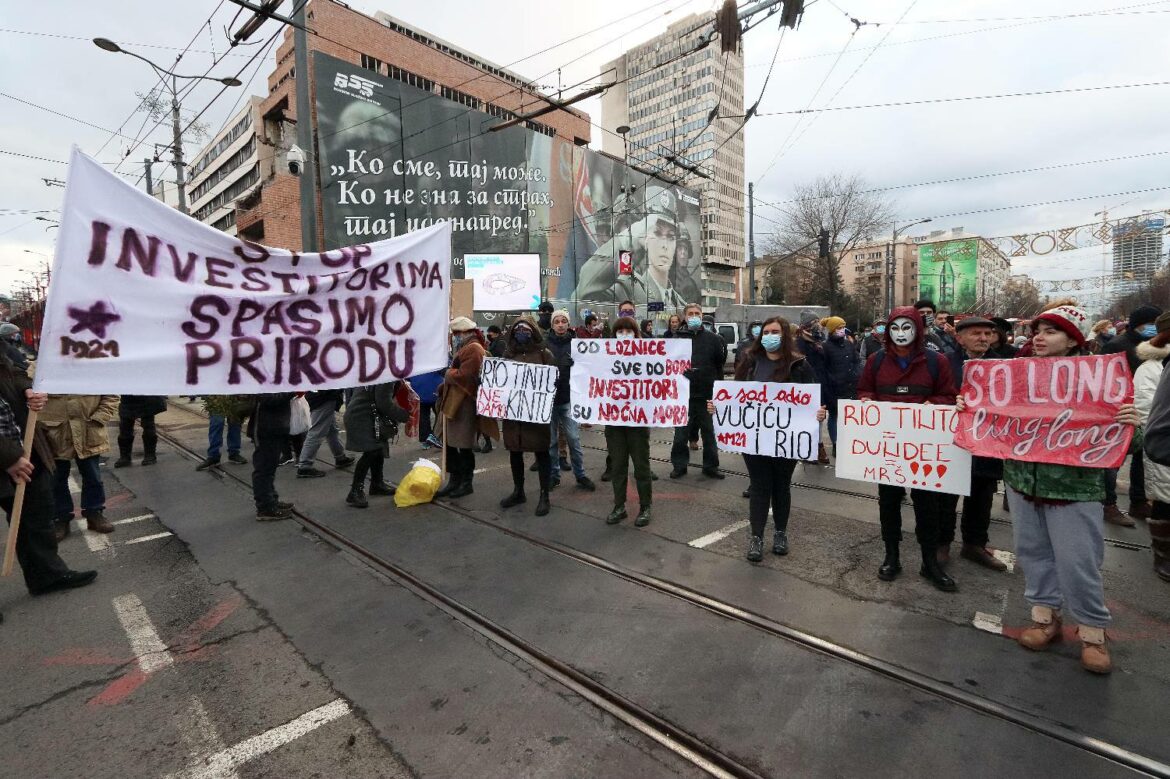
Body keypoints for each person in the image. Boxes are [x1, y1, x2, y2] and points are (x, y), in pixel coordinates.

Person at [959, 303, 1138, 674]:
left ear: (1073, 341)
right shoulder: (1015, 375)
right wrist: (970, 406)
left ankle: (1092, 634)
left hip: (1075, 489)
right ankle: (1045, 619)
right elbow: (993, 419)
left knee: (1078, 563)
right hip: (1023, 482)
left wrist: (1130, 424)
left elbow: (1126, 443)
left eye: (1051, 331)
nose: (1039, 337)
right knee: (1034, 555)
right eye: (1037, 330)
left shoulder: (1100, 378)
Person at [857, 307, 959, 591]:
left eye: (907, 328)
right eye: (895, 328)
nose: (900, 334)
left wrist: (934, 404)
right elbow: (865, 390)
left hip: (923, 449)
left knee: (928, 506)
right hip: (889, 447)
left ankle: (929, 562)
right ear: (888, 331)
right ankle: (892, 556)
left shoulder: (936, 361)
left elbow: (948, 395)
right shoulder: (876, 362)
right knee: (888, 501)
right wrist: (866, 401)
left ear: (917, 330)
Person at [712, 316, 826, 561]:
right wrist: (718, 407)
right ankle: (756, 537)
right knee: (760, 487)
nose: (769, 336)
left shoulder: (800, 365)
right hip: (755, 441)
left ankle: (781, 533)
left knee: (781, 487)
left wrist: (819, 413)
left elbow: (814, 398)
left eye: (775, 331)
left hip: (786, 442)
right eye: (766, 332)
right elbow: (734, 396)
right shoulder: (750, 362)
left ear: (785, 335)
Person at [0, 353, 96, 606]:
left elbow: (15, 370)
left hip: (23, 447)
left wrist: (27, 390)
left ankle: (46, 575)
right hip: (10, 453)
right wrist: (7, 456)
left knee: (35, 513)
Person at [938, 317, 1009, 571]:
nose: (983, 338)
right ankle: (941, 543)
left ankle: (974, 544)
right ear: (959, 337)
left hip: (988, 443)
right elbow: (934, 395)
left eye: (988, 333)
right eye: (976, 333)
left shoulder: (1002, 364)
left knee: (982, 495)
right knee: (946, 497)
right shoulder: (944, 362)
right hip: (953, 441)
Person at [1100, 304, 1162, 525]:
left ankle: (1138, 501)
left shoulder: (1153, 347)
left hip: (1142, 409)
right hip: (1118, 411)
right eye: (1152, 324)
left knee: (1140, 457)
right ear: (1140, 324)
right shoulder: (1117, 346)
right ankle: (1108, 504)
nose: (1155, 329)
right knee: (1113, 461)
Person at [40, 393, 119, 540]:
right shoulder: (44, 370)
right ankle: (60, 518)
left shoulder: (93, 369)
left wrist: (100, 417)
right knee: (56, 480)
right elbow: (28, 391)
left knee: (93, 477)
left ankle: (94, 513)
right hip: (54, 435)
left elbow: (111, 395)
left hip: (89, 431)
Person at [498, 318, 555, 516]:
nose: (522, 332)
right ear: (513, 333)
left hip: (535, 414)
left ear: (533, 332)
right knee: (515, 451)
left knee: (541, 452)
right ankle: (518, 491)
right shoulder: (508, 354)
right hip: (514, 415)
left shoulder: (543, 354)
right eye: (518, 329)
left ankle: (544, 495)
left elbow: (554, 381)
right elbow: (499, 381)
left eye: (526, 329)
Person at [604, 317, 654, 527]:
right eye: (620, 331)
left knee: (641, 466)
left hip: (638, 421)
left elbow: (662, 376)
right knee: (618, 466)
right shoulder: (604, 356)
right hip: (614, 420)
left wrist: (681, 374)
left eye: (628, 331)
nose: (624, 335)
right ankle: (619, 506)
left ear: (636, 333)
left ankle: (645, 506)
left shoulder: (647, 355)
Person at [669, 303, 726, 480]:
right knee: (681, 434)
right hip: (683, 395)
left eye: (697, 313)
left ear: (701, 316)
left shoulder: (713, 339)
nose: (694, 316)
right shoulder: (677, 339)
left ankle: (711, 466)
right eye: (690, 313)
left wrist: (718, 392)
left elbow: (719, 365)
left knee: (709, 433)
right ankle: (679, 465)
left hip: (706, 394)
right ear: (685, 317)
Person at [1134, 311, 1170, 583]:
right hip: (1164, 449)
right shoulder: (1153, 367)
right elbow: (1147, 409)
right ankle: (1163, 554)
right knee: (1166, 502)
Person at [436, 317, 488, 499]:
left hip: (465, 402)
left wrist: (448, 374)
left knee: (463, 445)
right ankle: (455, 480)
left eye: (457, 333)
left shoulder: (474, 349)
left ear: (465, 333)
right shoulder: (467, 347)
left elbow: (466, 375)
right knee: (452, 444)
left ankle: (466, 482)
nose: (455, 337)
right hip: (456, 402)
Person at [545, 310, 596, 492]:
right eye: (557, 321)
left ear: (568, 324)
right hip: (549, 400)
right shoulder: (544, 344)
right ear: (552, 325)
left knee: (574, 439)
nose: (560, 324)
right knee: (551, 442)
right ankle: (554, 475)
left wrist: (577, 365)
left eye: (563, 321)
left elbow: (588, 367)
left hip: (569, 399)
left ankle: (580, 475)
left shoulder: (577, 344)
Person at [343, 382, 408, 508]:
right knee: (372, 451)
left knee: (378, 449)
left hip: (366, 415)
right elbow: (384, 403)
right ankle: (355, 491)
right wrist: (404, 416)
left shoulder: (381, 370)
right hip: (362, 417)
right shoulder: (387, 374)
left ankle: (377, 483)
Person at [248, 393, 296, 521]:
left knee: (270, 467)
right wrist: (291, 392)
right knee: (264, 468)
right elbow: (268, 400)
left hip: (274, 427)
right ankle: (265, 507)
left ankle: (271, 500)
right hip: (266, 428)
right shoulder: (264, 379)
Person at [795, 311, 832, 464]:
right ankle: (810, 451)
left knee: (818, 418)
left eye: (818, 321)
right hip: (806, 387)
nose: (818, 325)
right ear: (806, 326)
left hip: (820, 385)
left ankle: (816, 448)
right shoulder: (799, 343)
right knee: (809, 420)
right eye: (814, 322)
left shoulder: (818, 341)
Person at [820, 315, 859, 454]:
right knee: (834, 416)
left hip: (850, 387)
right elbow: (823, 369)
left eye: (843, 327)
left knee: (850, 417)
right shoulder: (825, 347)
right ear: (832, 330)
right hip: (834, 388)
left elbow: (856, 361)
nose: (842, 330)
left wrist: (856, 374)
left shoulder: (849, 344)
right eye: (839, 328)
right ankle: (836, 444)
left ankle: (849, 442)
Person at [295, 390, 354, 478]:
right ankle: (304, 465)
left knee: (331, 429)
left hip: (320, 397)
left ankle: (340, 456)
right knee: (317, 432)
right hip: (324, 398)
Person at [115, 395, 166, 468]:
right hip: (128, 398)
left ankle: (150, 455)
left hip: (146, 397)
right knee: (125, 426)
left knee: (148, 425)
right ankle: (125, 457)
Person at [196, 405, 248, 471]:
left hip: (235, 398)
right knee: (217, 422)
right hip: (218, 397)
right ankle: (213, 456)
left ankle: (234, 453)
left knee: (235, 423)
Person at [411, 369, 445, 450]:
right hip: (435, 389)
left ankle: (426, 439)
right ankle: (435, 436)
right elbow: (444, 371)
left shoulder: (413, 359)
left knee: (423, 417)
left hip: (418, 389)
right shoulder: (435, 358)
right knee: (440, 414)